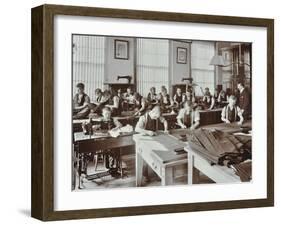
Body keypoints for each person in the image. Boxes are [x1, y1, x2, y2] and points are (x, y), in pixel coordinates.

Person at [83, 107, 123, 175]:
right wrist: (94, 127)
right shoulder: (100, 120)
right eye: (106, 114)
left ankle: (114, 166)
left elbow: (120, 125)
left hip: (112, 139)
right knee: (107, 148)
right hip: (103, 141)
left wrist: (115, 128)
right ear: (103, 114)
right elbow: (94, 127)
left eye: (109, 114)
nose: (107, 115)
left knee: (115, 148)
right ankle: (109, 166)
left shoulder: (113, 119)